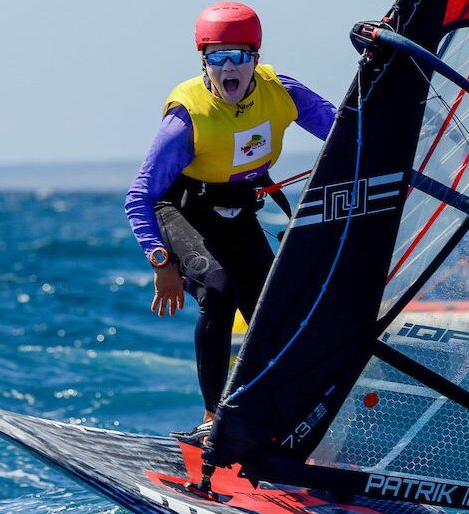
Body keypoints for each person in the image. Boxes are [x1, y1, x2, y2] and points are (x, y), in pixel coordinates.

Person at [124, 2, 336, 438]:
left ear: (255, 58)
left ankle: (274, 410)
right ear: (204, 61)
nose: (228, 68)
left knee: (271, 307)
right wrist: (161, 262)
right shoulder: (187, 118)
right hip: (182, 211)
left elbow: (345, 129)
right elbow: (139, 196)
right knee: (219, 293)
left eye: (238, 56)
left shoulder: (282, 93)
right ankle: (212, 417)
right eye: (217, 57)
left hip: (238, 213)